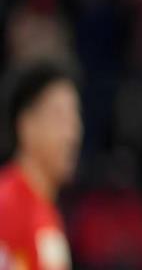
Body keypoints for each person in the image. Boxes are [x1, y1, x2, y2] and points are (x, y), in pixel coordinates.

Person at [0, 61, 82, 270]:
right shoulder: (6, 205)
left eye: (75, 118)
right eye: (60, 117)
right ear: (26, 125)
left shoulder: (47, 212)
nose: (72, 134)